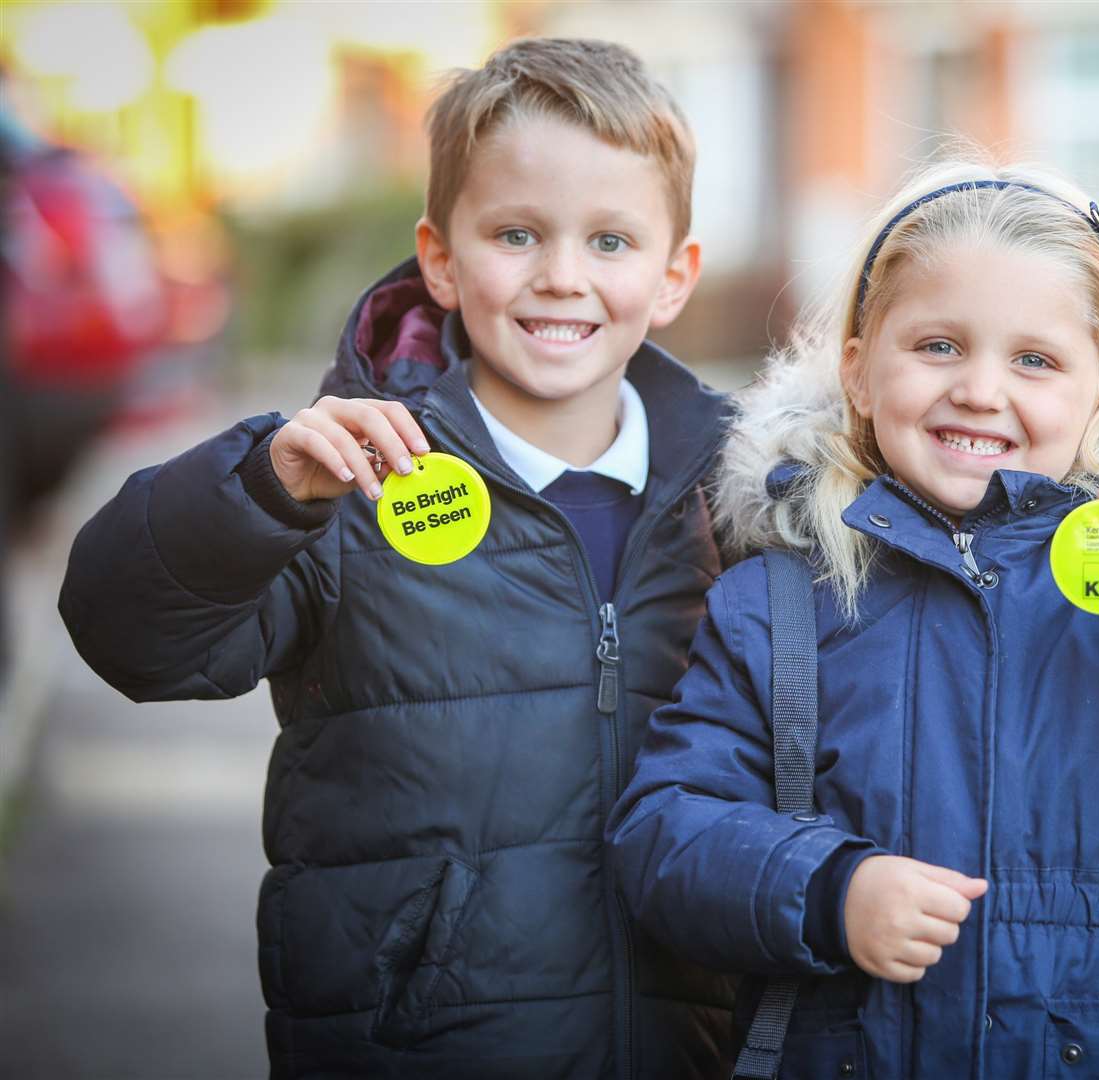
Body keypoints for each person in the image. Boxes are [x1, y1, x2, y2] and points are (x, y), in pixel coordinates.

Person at [606, 159, 1099, 1079]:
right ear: (857, 368)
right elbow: (665, 828)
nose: (979, 389)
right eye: (937, 346)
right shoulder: (776, 600)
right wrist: (826, 890)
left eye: (1035, 361)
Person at [59, 37, 734, 1079]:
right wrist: (255, 495)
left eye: (610, 241)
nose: (562, 276)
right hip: (425, 1045)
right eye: (517, 234)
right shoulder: (342, 481)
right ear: (441, 260)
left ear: (675, 274)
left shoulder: (744, 499)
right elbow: (127, 636)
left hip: (691, 1044)